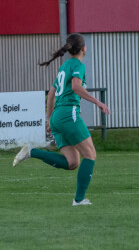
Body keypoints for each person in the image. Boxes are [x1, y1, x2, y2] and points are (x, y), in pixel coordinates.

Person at [13, 33, 110, 206]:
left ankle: (31, 151)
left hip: (58, 116)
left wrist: (50, 119)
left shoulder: (64, 66)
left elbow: (51, 94)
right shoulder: (78, 65)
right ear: (83, 49)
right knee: (90, 155)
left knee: (72, 163)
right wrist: (98, 102)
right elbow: (76, 86)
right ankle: (79, 200)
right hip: (68, 114)